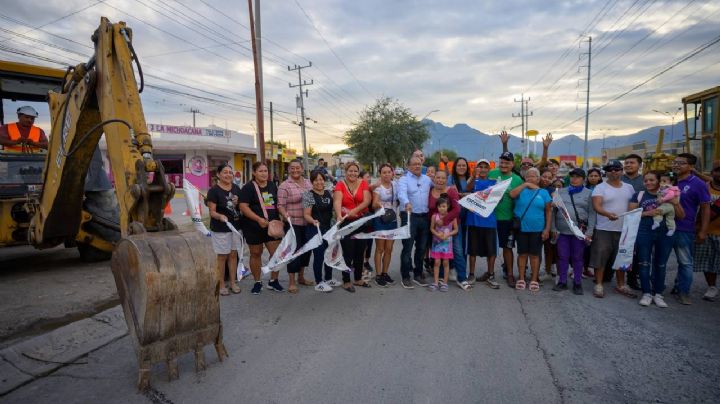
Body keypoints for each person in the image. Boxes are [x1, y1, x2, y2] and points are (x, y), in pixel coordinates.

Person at [629, 171, 685, 307]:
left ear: (660, 181)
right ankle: (647, 293)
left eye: (652, 180)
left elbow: (681, 216)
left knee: (661, 264)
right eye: (646, 180)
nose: (648, 183)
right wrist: (648, 213)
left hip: (665, 233)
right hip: (645, 231)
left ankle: (658, 294)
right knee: (644, 263)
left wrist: (675, 203)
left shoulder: (670, 194)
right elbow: (631, 215)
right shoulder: (639, 195)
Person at [590, 160, 636, 298]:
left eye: (616, 169)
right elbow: (596, 206)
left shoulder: (629, 187)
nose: (613, 171)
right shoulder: (600, 187)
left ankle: (621, 284)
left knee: (621, 257)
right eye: (610, 169)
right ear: (606, 172)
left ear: (621, 171)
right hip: (604, 228)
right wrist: (607, 214)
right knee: (601, 258)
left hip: (625, 229)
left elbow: (633, 205)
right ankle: (598, 284)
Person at [670, 153, 711, 305]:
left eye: (681, 163)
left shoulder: (698, 183)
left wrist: (703, 231)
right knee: (659, 261)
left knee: (685, 262)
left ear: (691, 167)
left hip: (684, 229)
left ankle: (683, 292)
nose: (676, 165)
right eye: (675, 162)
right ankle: (661, 289)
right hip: (665, 228)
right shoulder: (669, 181)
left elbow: (705, 208)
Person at [239, 162, 284, 295]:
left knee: (276, 254)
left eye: (265, 171)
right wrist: (258, 219)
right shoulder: (248, 188)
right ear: (254, 173)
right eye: (260, 171)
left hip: (272, 226)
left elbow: (277, 204)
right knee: (256, 254)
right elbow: (243, 207)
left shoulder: (272, 185)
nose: (264, 173)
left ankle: (273, 281)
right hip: (253, 226)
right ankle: (257, 282)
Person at [551, 168, 595, 295]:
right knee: (563, 257)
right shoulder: (560, 192)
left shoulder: (588, 193)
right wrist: (553, 228)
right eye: (572, 176)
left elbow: (592, 214)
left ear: (583, 179)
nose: (574, 179)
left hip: (579, 232)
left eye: (578, 176)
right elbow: (553, 212)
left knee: (577, 258)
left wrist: (589, 232)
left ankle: (577, 282)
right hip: (562, 231)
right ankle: (562, 281)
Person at [509, 168, 552, 293]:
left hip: (537, 229)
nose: (531, 178)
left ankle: (534, 279)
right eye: (528, 176)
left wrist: (547, 229)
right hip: (521, 228)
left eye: (534, 176)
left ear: (538, 179)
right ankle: (521, 278)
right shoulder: (521, 190)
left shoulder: (543, 192)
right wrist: (526, 184)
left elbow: (548, 212)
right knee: (522, 254)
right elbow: (512, 194)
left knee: (534, 255)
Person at [333, 161, 372, 292]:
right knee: (348, 252)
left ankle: (358, 278)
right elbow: (337, 200)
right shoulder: (340, 184)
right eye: (350, 171)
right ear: (345, 172)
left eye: (355, 171)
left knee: (360, 251)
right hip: (346, 223)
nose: (353, 173)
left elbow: (367, 201)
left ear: (358, 172)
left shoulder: (363, 183)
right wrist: (339, 215)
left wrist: (355, 211)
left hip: (361, 221)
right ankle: (346, 280)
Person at [429, 170, 470, 290]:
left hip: (451, 226)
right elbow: (430, 210)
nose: (440, 180)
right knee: (440, 252)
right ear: (434, 178)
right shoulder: (430, 191)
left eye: (443, 178)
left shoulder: (451, 191)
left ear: (447, 179)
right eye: (438, 177)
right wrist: (434, 224)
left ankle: (462, 278)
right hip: (436, 229)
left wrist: (444, 220)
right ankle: (441, 277)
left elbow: (457, 209)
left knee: (457, 250)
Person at [277, 160, 314, 294]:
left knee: (305, 251)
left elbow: (310, 200)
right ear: (289, 169)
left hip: (307, 223)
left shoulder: (308, 183)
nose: (295, 170)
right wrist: (284, 214)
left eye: (297, 168)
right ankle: (292, 282)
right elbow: (280, 205)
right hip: (293, 224)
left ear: (302, 169)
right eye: (292, 168)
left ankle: (301, 277)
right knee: (293, 252)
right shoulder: (284, 185)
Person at [207, 163, 243, 296]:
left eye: (230, 172)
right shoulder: (214, 191)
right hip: (221, 228)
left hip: (236, 227)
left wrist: (237, 203)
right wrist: (220, 216)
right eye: (225, 172)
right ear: (218, 174)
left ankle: (233, 282)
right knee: (222, 256)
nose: (228, 175)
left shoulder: (237, 189)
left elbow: (240, 208)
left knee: (233, 255)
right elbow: (212, 212)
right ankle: (221, 284)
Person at [488, 151, 523, 287]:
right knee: (491, 248)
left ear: (512, 164)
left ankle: (509, 274)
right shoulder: (492, 173)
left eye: (507, 163)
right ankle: (490, 273)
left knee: (507, 248)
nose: (503, 165)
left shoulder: (517, 179)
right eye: (501, 162)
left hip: (508, 219)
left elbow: (520, 200)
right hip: (491, 217)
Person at [303, 170, 342, 292]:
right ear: (312, 182)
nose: (319, 182)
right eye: (316, 180)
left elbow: (333, 210)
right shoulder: (308, 195)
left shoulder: (328, 193)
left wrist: (338, 218)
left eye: (321, 179)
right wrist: (313, 221)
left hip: (328, 229)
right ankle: (319, 282)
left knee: (329, 253)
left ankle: (329, 278)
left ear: (324, 181)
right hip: (315, 230)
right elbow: (306, 214)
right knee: (319, 256)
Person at [398, 156, 433, 289]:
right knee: (407, 247)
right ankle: (405, 276)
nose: (417, 166)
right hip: (409, 216)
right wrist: (406, 203)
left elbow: (437, 188)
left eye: (419, 164)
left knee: (422, 248)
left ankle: (418, 274)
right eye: (414, 164)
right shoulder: (403, 179)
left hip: (424, 217)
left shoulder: (427, 179)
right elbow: (401, 194)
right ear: (408, 166)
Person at [466, 159, 500, 289]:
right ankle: (471, 274)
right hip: (473, 220)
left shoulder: (494, 183)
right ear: (477, 168)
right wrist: (474, 176)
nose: (483, 169)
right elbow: (467, 189)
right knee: (472, 250)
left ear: (489, 169)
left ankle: (491, 275)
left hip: (489, 221)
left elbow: (498, 198)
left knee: (491, 251)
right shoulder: (473, 180)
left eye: (486, 167)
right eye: (481, 166)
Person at [371, 163, 398, 287]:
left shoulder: (395, 185)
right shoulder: (378, 187)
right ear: (380, 174)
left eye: (389, 172)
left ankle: (385, 273)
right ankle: (378, 275)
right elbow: (374, 204)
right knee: (380, 249)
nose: (387, 174)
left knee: (389, 249)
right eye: (384, 172)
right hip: (380, 219)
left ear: (392, 173)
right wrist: (382, 205)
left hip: (392, 220)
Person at [621, 154, 645, 290]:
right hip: (618, 219)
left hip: (639, 220)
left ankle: (632, 278)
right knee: (616, 248)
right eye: (626, 162)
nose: (628, 165)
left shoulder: (644, 181)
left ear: (639, 165)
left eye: (632, 163)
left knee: (634, 251)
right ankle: (609, 274)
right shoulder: (618, 179)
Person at [697, 163, 720, 301]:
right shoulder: (705, 187)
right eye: (718, 171)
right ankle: (712, 286)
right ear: (712, 173)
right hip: (706, 230)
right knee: (708, 261)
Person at [448, 157, 471, 282]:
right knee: (456, 245)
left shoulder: (470, 180)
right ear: (455, 167)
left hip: (468, 216)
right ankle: (452, 268)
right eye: (459, 165)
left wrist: (463, 195)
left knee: (464, 244)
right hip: (455, 217)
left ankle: (462, 269)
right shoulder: (450, 179)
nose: (462, 167)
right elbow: (446, 195)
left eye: (464, 165)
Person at [429, 195, 457, 292]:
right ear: (437, 207)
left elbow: (456, 230)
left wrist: (448, 234)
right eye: (440, 206)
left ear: (448, 206)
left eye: (444, 206)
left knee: (445, 262)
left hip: (447, 244)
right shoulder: (434, 216)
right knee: (436, 262)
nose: (442, 208)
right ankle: (436, 282)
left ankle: (445, 283)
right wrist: (437, 234)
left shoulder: (452, 217)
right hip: (436, 243)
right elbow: (431, 228)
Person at [359, 170, 374, 279]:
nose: (369, 179)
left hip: (370, 220)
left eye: (369, 177)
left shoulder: (371, 190)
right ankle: (359, 264)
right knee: (362, 244)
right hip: (361, 220)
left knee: (369, 242)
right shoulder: (360, 189)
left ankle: (366, 262)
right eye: (367, 176)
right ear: (361, 178)